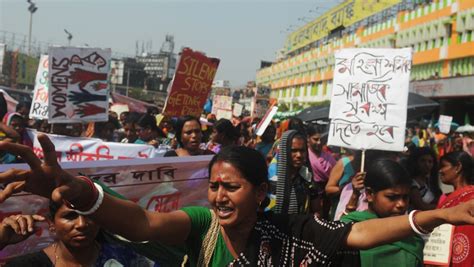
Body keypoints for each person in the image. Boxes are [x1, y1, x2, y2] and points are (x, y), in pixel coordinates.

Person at [1, 136, 474, 266]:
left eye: (231, 187)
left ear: (261, 192)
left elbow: (358, 232)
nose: (219, 196)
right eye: (214, 186)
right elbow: (143, 224)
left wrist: (435, 216)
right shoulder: (201, 225)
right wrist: (81, 193)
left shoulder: (289, 230)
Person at [5, 201, 149, 266]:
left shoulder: (125, 257)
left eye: (90, 215)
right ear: (51, 224)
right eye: (70, 216)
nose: (82, 224)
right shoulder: (27, 264)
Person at [341, 159, 424, 266]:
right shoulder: (349, 228)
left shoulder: (410, 233)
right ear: (370, 194)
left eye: (405, 197)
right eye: (392, 197)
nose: (401, 204)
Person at [268, 130, 319, 214]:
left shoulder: (306, 177)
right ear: (284, 151)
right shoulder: (269, 180)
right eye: (293, 150)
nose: (299, 155)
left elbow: (316, 209)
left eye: (302, 150)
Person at [437, 151, 474, 266]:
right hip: (443, 255)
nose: (440, 171)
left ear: (457, 167)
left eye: (443, 166)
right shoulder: (444, 198)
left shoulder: (471, 198)